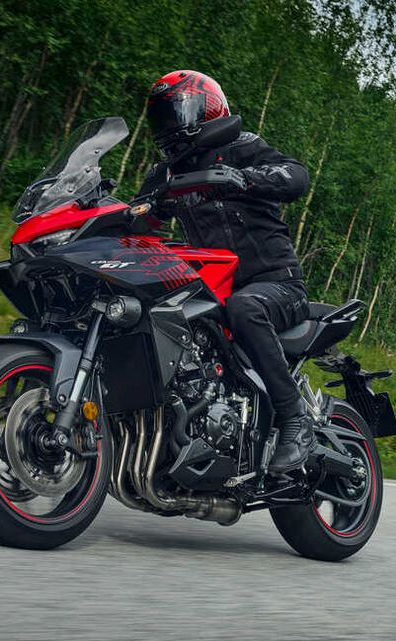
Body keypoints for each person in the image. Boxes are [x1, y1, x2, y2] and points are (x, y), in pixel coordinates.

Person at [137, 69, 314, 471]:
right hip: (211, 288)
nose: (168, 125)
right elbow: (138, 217)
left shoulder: (242, 147)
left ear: (208, 109)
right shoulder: (165, 173)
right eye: (161, 117)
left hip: (276, 285)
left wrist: (245, 179)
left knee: (245, 307)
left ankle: (295, 418)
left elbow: (296, 176)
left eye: (176, 112)